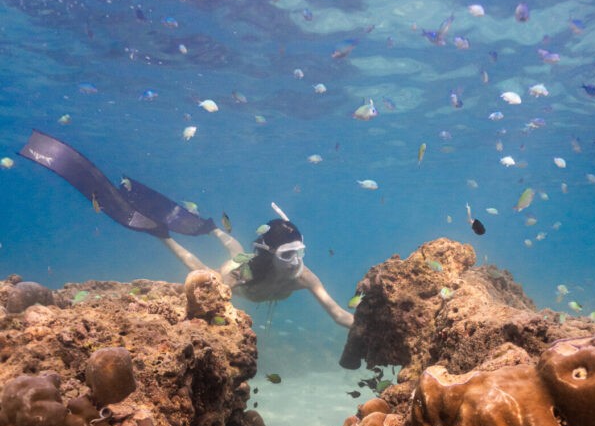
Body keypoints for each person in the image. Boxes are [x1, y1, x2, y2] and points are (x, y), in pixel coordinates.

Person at [19, 130, 354, 328]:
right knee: (220, 267)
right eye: (289, 253)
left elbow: (338, 313)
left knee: (236, 248)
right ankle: (164, 235)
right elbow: (202, 278)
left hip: (256, 258)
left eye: (301, 252)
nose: (297, 260)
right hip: (245, 266)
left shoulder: (303, 277)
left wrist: (362, 327)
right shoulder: (241, 274)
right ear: (271, 254)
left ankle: (211, 229)